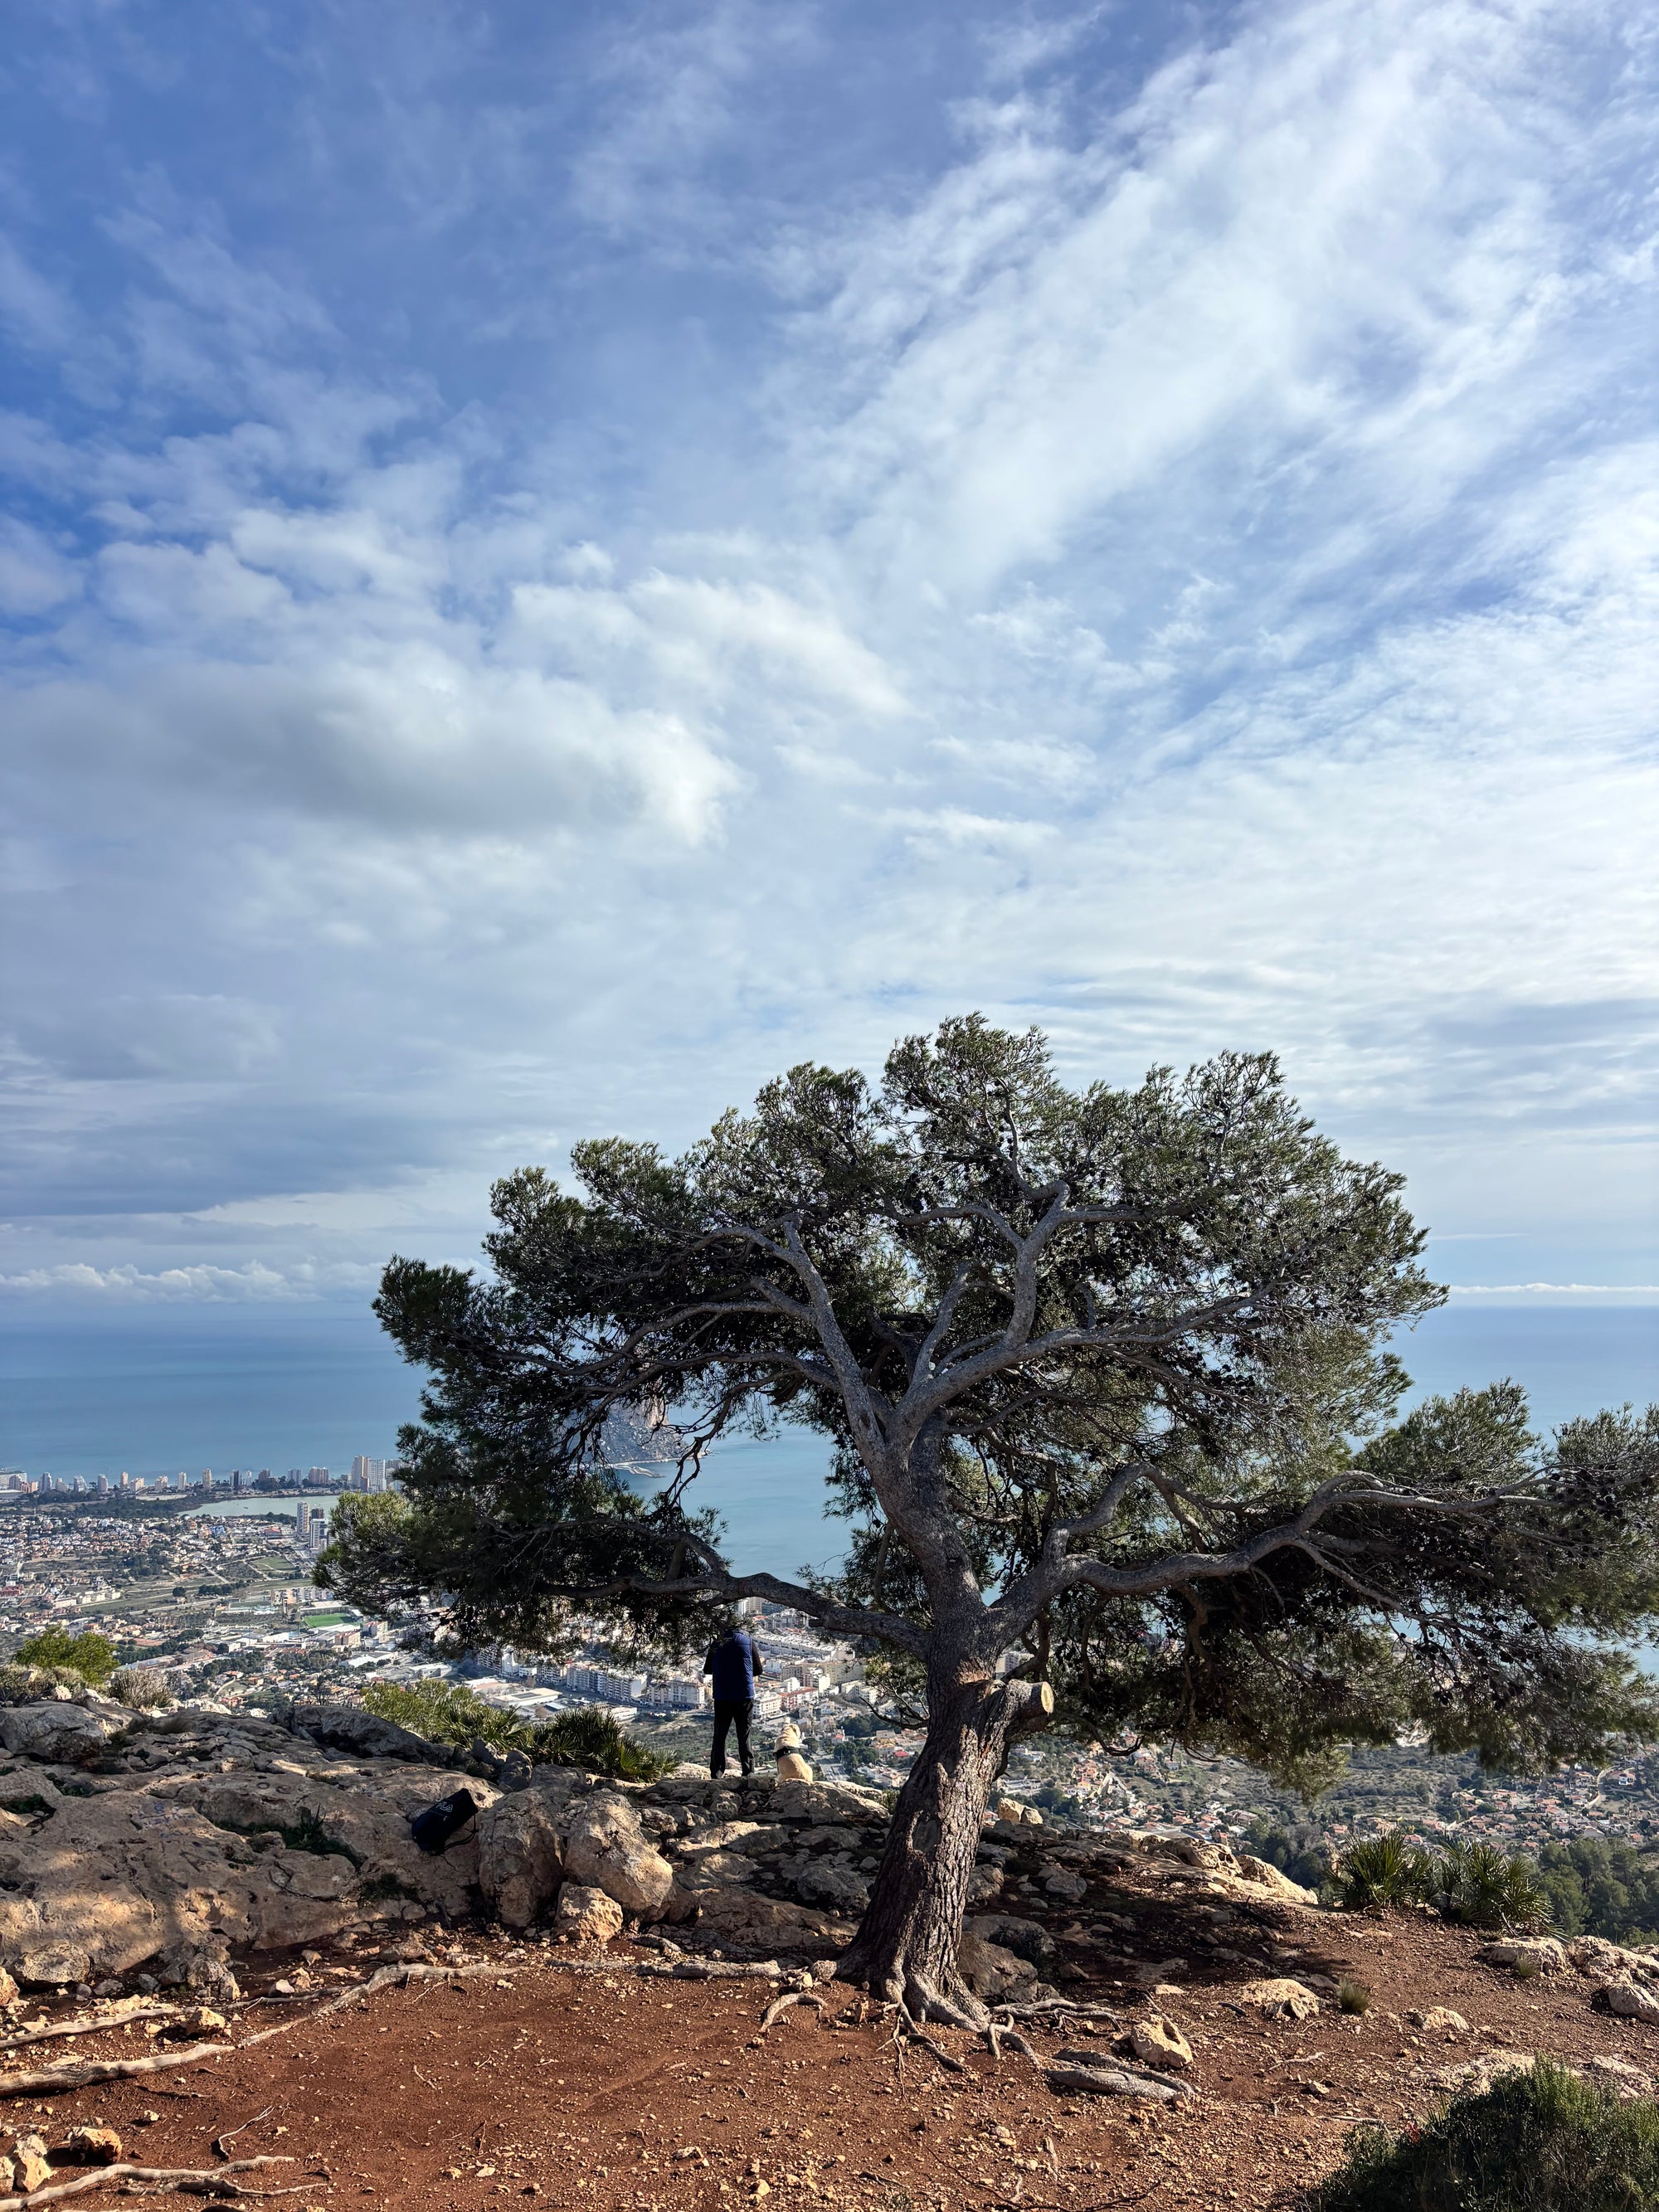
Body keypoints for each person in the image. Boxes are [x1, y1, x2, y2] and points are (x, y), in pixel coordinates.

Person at [703, 1617, 765, 1777]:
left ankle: (717, 1772)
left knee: (720, 1734)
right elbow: (758, 1669)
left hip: (723, 1695)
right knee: (744, 1734)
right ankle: (748, 1772)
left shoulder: (717, 1643)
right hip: (744, 1695)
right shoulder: (748, 1641)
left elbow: (707, 1669)